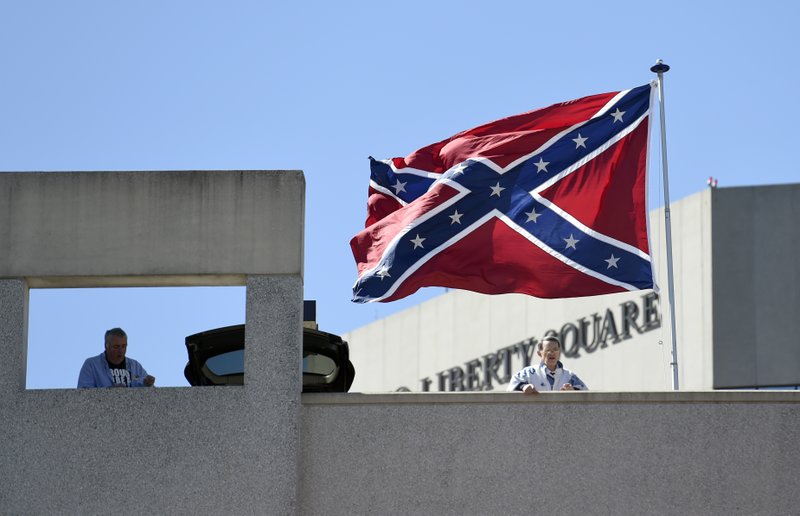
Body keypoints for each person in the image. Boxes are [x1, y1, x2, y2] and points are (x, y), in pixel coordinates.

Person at [77, 328, 155, 388]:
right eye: (116, 347)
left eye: (124, 346)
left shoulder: (135, 366)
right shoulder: (92, 365)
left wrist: (148, 384)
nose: (121, 350)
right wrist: (110, 393)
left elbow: (149, 394)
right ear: (106, 346)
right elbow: (83, 394)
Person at [507, 335, 587, 393]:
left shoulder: (569, 375)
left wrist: (573, 391)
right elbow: (512, 385)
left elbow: (586, 394)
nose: (551, 352)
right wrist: (523, 387)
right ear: (539, 353)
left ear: (559, 353)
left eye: (555, 349)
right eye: (547, 350)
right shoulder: (529, 372)